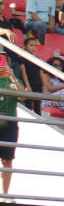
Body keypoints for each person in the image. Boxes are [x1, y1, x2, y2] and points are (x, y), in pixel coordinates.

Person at [0, 54, 18, 198]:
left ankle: (5, 194)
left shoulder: (12, 81)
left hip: (10, 122)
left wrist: (12, 76)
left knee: (7, 160)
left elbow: (25, 95)